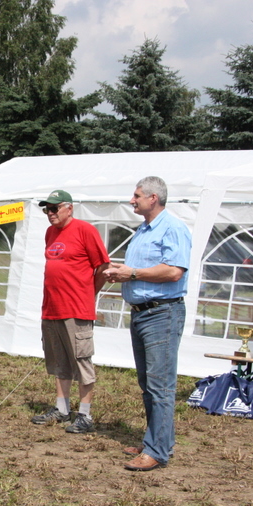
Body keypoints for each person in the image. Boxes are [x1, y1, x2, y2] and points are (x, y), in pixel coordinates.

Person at [103, 176, 191, 471]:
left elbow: (174, 271)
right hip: (143, 313)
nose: (132, 200)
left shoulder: (173, 228)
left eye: (137, 195)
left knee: (160, 385)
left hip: (162, 313)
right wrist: (121, 272)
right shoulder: (143, 230)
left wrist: (132, 274)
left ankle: (156, 451)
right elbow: (141, 270)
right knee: (149, 383)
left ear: (153, 198)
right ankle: (159, 440)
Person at [30, 190, 110, 433]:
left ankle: (85, 414)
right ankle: (62, 409)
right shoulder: (50, 233)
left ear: (69, 208)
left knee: (81, 360)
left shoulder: (85, 230)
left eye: (54, 208)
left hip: (77, 309)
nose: (50, 213)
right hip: (52, 308)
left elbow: (103, 266)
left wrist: (88, 293)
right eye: (47, 209)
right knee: (59, 361)